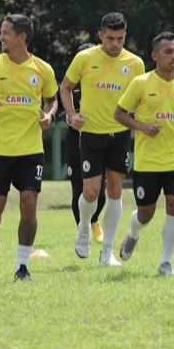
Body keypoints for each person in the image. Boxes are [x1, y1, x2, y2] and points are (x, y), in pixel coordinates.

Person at [0, 14, 58, 281]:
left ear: (22, 37)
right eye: (1, 32)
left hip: (31, 151)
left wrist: (49, 115)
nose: (1, 37)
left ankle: (22, 266)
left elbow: (52, 101)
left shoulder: (43, 69)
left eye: (6, 33)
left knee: (29, 205)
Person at [112, 32, 174, 276]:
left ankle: (166, 263)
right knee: (146, 213)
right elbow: (119, 113)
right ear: (155, 55)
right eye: (168, 52)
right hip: (148, 162)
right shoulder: (141, 83)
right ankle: (133, 232)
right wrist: (141, 126)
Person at [60, 12, 144, 267]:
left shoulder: (135, 63)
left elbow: (140, 99)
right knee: (91, 191)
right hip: (91, 134)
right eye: (110, 38)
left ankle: (106, 253)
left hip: (119, 135)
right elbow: (64, 87)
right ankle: (84, 226)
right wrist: (72, 114)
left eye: (119, 38)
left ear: (125, 36)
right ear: (100, 36)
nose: (115, 44)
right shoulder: (84, 58)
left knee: (116, 191)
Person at [64, 44, 105, 244]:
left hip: (99, 138)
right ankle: (83, 229)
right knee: (77, 187)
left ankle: (94, 220)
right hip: (75, 140)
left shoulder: (103, 81)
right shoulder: (71, 84)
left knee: (101, 191)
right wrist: (73, 117)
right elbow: (63, 110)